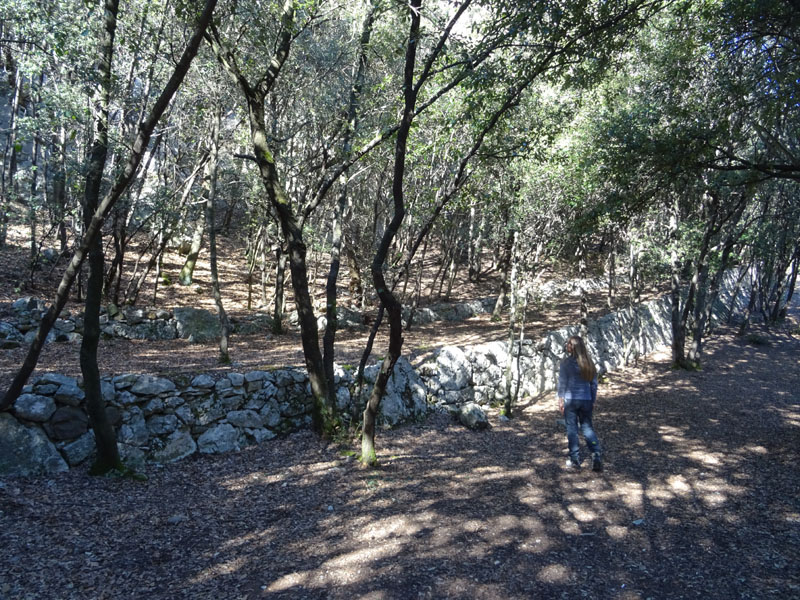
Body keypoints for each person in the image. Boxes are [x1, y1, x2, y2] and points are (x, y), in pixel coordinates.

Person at [557, 335, 603, 472]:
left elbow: (562, 383)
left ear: (574, 347)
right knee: (587, 428)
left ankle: (574, 458)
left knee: (572, 429)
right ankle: (596, 453)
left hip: (571, 400)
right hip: (586, 400)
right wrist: (593, 399)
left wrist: (560, 399)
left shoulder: (566, 363)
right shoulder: (589, 363)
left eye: (569, 344)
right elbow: (594, 384)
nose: (567, 346)